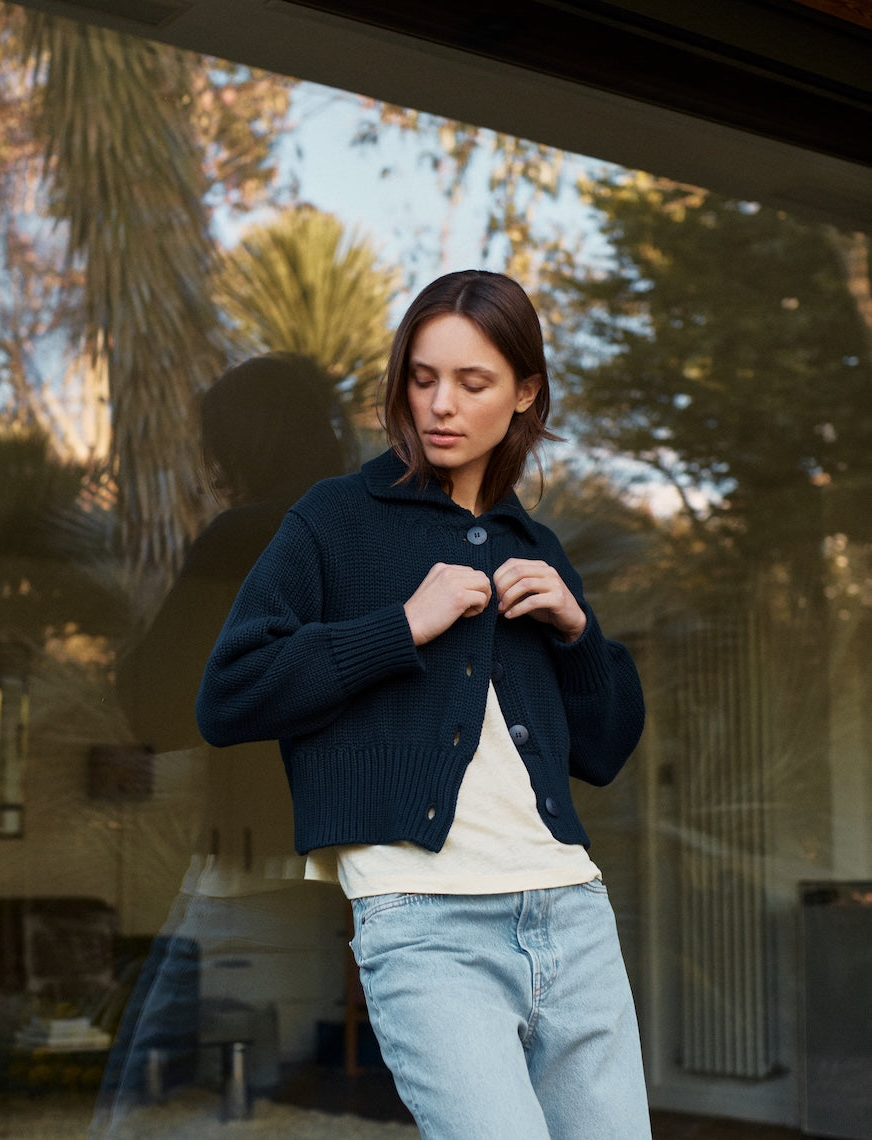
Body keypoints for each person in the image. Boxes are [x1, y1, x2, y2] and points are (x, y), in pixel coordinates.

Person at [197, 270, 652, 1139]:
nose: (440, 404)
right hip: (424, 919)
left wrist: (577, 629)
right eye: (422, 376)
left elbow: (605, 748)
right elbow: (229, 695)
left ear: (524, 393)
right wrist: (401, 626)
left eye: (473, 383)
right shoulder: (335, 520)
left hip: (571, 911)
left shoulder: (534, 547)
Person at [92, 355, 348, 1136]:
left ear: (243, 446)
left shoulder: (250, 538)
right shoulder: (376, 536)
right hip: (338, 888)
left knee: (139, 1120)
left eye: (215, 449)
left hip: (256, 885)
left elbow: (154, 707)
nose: (209, 471)